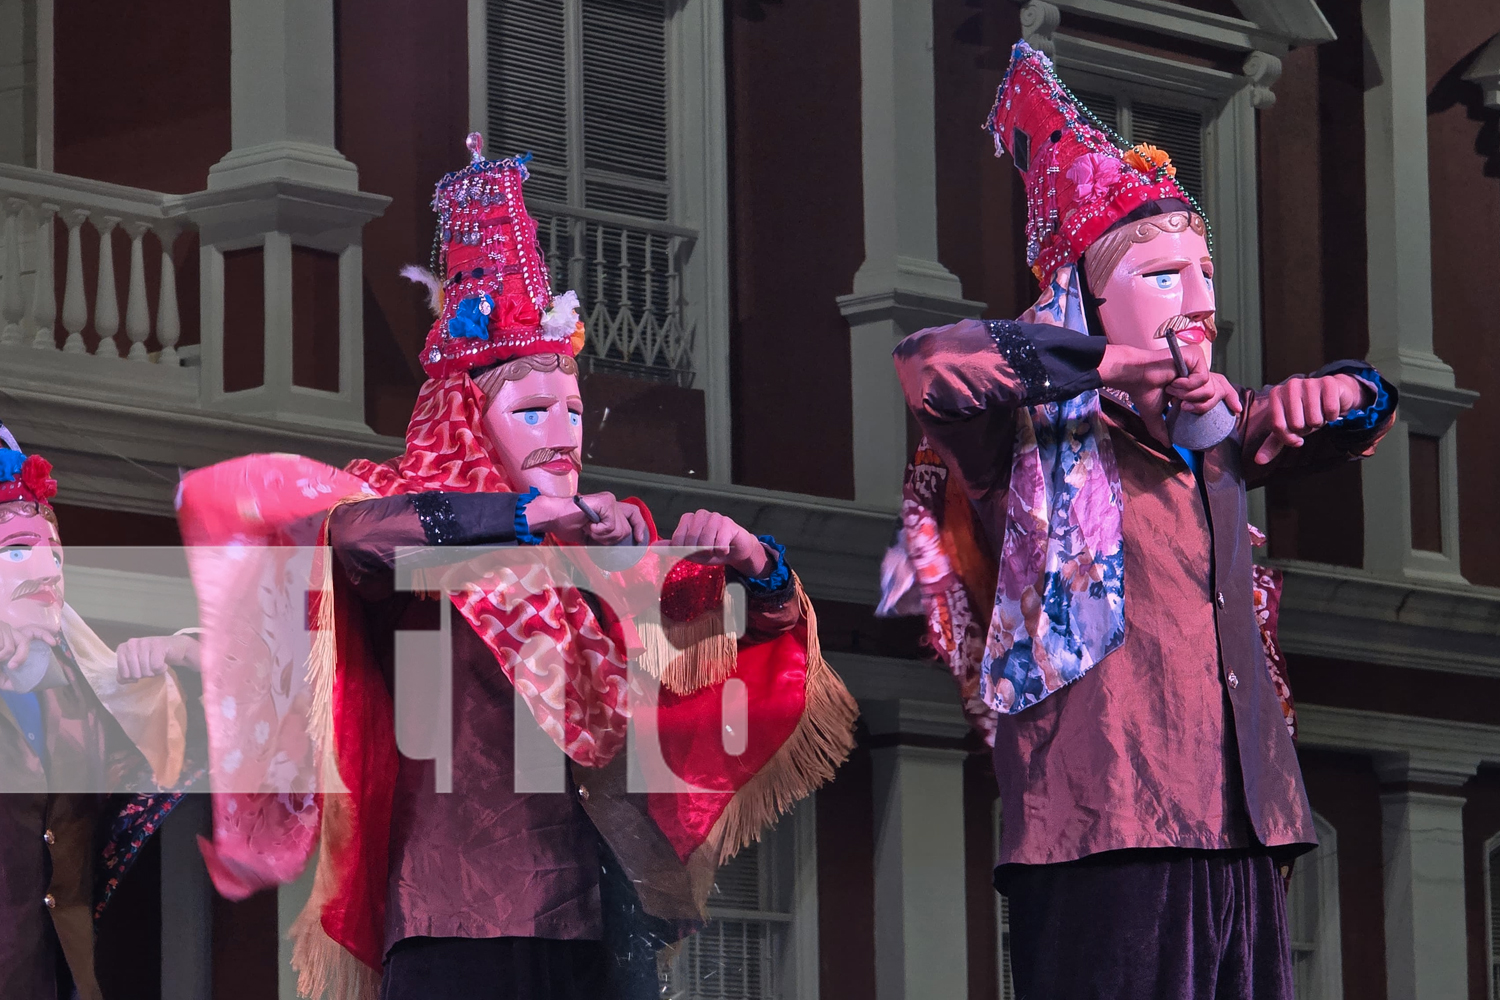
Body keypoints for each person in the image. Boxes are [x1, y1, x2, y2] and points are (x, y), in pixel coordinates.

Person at [176, 132, 856, 1000]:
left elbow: (708, 649)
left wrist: (758, 569)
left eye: (573, 409)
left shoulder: (608, 542)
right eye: (534, 410)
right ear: (470, 418)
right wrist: (521, 521)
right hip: (461, 927)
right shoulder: (418, 527)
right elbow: (350, 540)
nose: (566, 432)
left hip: (603, 926)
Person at [884, 41, 1396, 1000]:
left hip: (1244, 823)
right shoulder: (1031, 436)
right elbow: (929, 365)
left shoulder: (1221, 431)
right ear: (1088, 297)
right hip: (1101, 825)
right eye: (1166, 277)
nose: (1200, 304)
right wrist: (1102, 366)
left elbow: (1363, 411)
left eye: (1204, 275)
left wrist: (1343, 391)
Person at [0, 430, 192, 1000]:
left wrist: (183, 650)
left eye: (54, 553)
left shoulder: (86, 694)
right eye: (16, 551)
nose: (48, 570)